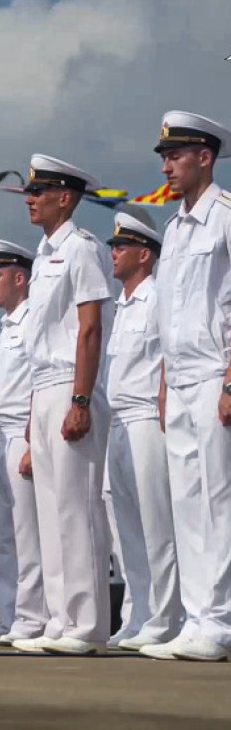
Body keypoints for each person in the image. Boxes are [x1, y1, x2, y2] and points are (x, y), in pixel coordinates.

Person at [13, 154, 114, 656]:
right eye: (30, 191)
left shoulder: (82, 249)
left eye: (39, 191)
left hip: (73, 386)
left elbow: (89, 328)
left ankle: (89, 623)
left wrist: (80, 398)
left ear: (66, 197)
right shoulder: (44, 252)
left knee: (77, 507)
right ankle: (60, 617)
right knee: (50, 511)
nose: (29, 199)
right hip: (44, 386)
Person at [146, 111, 231, 662]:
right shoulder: (174, 228)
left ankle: (220, 621)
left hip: (213, 375)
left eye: (175, 156)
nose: (167, 166)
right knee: (187, 504)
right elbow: (168, 314)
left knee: (219, 500)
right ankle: (198, 618)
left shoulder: (225, 217)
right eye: (163, 157)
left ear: (205, 156)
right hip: (178, 382)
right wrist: (161, 384)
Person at [102, 210, 183, 652]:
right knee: (127, 530)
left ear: (145, 255)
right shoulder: (122, 304)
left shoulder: (155, 298)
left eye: (121, 246)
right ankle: (139, 613)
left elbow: (168, 357)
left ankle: (167, 616)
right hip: (118, 423)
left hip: (148, 420)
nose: (113, 253)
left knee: (157, 525)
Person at [0, 239, 49, 645]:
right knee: (3, 537)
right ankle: (6, 616)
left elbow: (37, 383)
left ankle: (31, 616)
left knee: (28, 534)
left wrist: (31, 439)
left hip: (22, 433)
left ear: (20, 278)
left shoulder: (32, 323)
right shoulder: (3, 330)